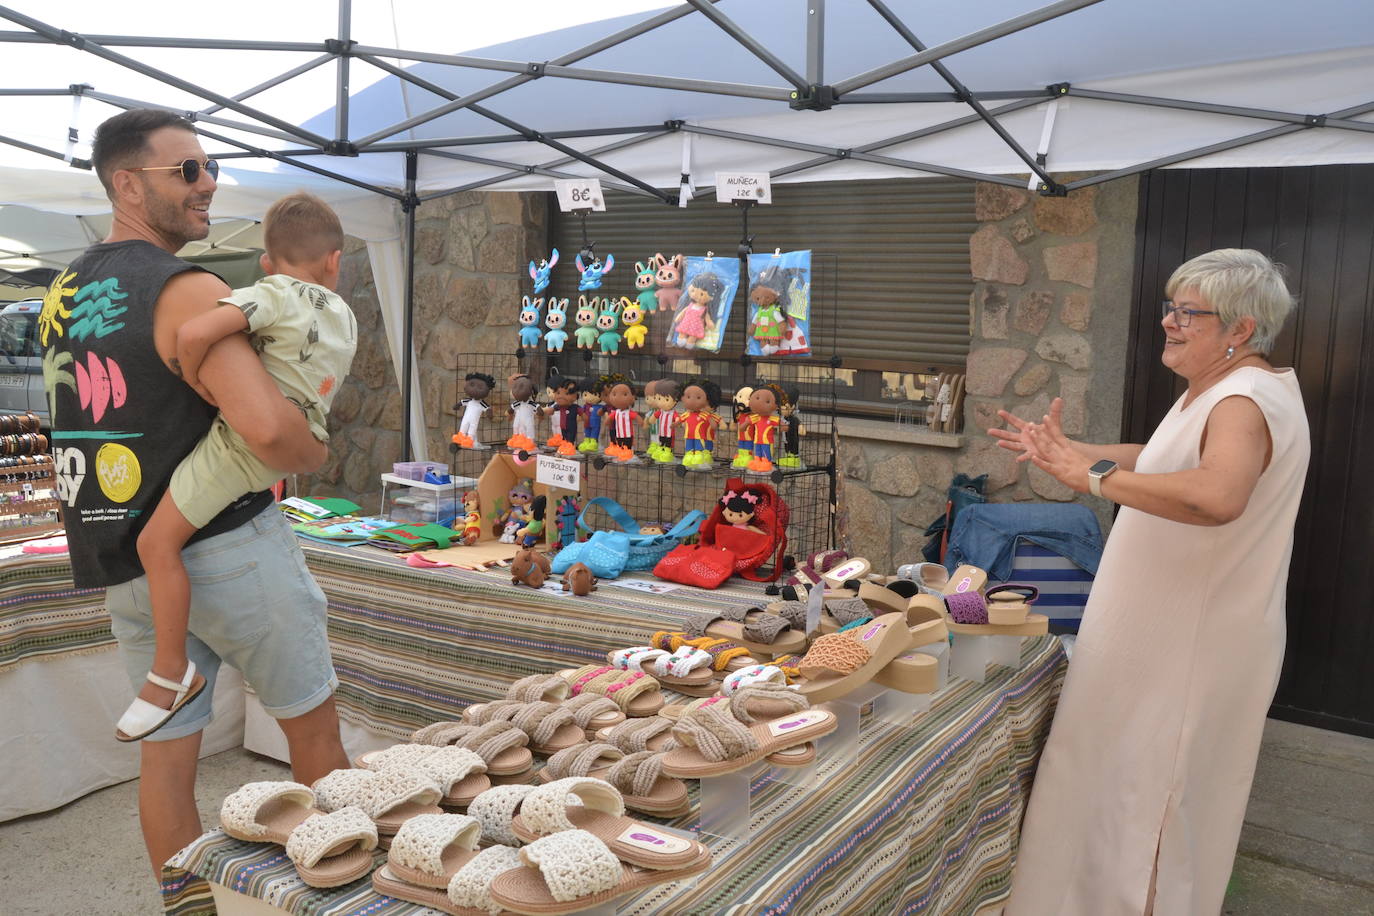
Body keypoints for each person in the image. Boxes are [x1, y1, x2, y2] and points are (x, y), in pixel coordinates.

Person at [42, 109, 348, 876]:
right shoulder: (186, 288)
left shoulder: (65, 290)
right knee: (314, 735)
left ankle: (188, 905)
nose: (207, 182)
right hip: (230, 548)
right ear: (126, 184)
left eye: (210, 167)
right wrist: (313, 448)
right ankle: (340, 890)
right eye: (187, 170)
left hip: (131, 559)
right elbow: (268, 430)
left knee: (167, 759)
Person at [992, 249, 1310, 915]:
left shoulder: (1242, 400)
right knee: (1118, 790)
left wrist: (1093, 479)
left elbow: (1216, 494)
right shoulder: (1225, 389)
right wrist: (1071, 454)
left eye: (1188, 313)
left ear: (1241, 328)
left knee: (1145, 805)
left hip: (1187, 647)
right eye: (1171, 307)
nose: (1169, 322)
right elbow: (1163, 459)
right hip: (1167, 640)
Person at [123, 191, 357, 744]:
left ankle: (170, 670)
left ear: (267, 262)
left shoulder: (272, 293)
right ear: (335, 261)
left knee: (154, 544)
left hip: (237, 448)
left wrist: (196, 378)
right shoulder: (343, 314)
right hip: (301, 439)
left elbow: (193, 333)